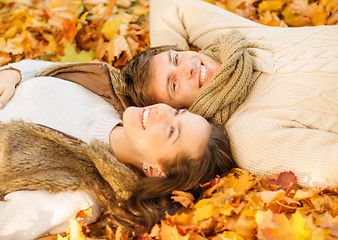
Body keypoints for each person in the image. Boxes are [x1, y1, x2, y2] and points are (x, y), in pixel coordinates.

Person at [0, 60, 235, 239]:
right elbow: (44, 68)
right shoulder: (108, 90)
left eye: (172, 131)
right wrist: (13, 73)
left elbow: (10, 225)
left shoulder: (80, 191)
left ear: (155, 169)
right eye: (178, 112)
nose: (162, 113)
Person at [122, 0, 338, 188]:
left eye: (177, 58)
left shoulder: (228, 44)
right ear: (186, 110)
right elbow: (329, 167)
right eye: (174, 85)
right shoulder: (249, 136)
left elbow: (169, 6)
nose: (188, 68)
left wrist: (166, 60)